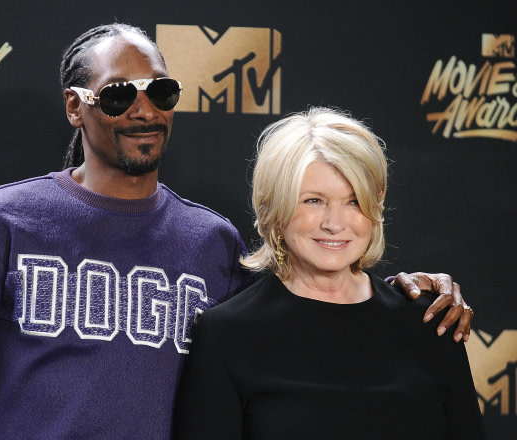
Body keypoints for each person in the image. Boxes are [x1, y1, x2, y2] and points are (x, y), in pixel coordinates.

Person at [0, 24, 473, 440]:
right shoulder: (0, 223)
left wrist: (405, 293)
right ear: (74, 106)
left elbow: (304, 328)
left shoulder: (212, 242)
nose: (145, 110)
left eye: (160, 91)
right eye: (117, 95)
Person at [172, 107, 485, 439]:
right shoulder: (227, 334)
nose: (335, 224)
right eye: (313, 201)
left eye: (353, 202)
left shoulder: (431, 321)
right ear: (275, 209)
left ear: (375, 208)